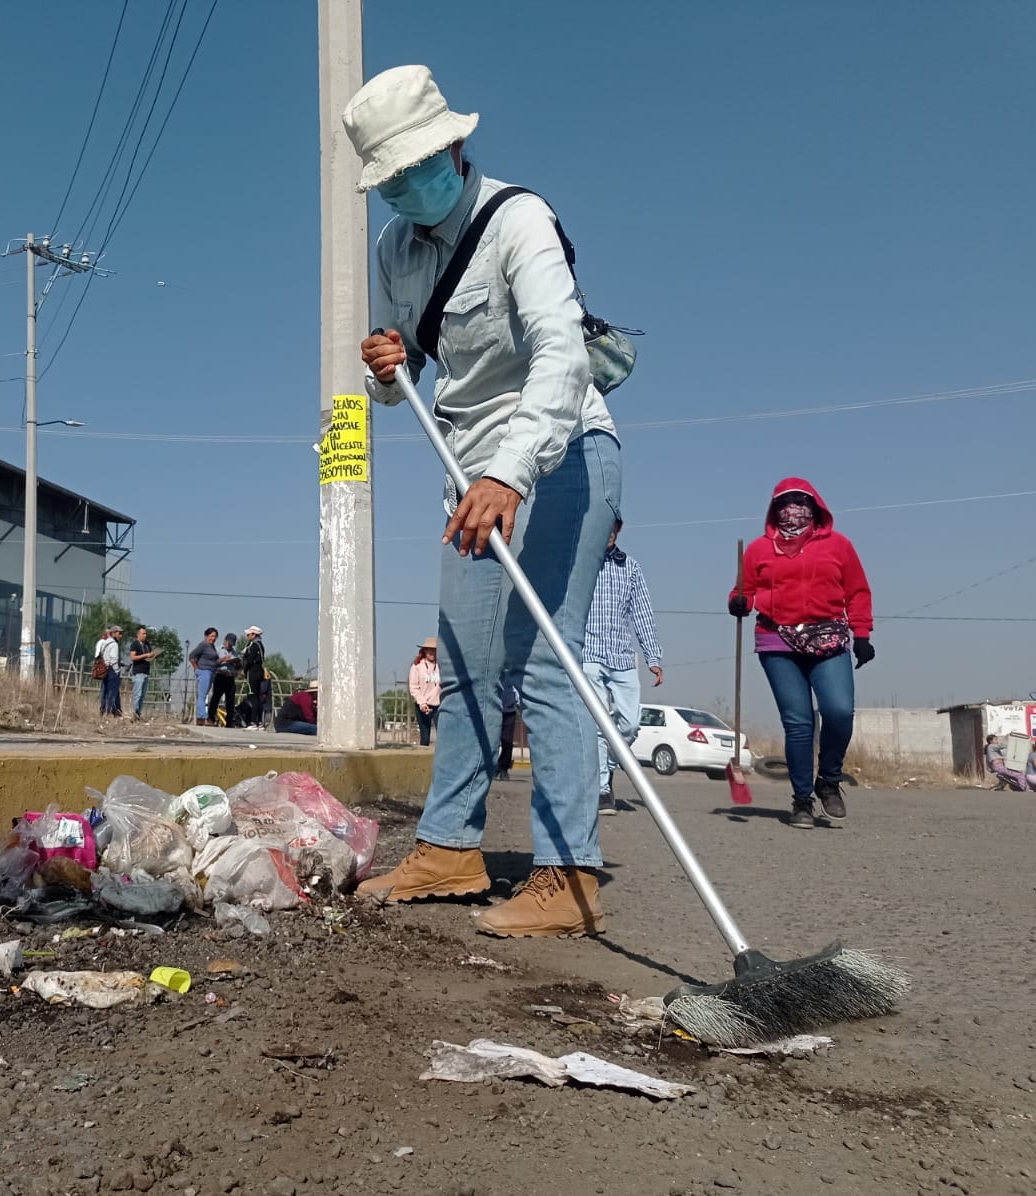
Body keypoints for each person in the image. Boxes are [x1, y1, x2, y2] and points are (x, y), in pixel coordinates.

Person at [347, 65, 622, 939]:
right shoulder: (392, 249)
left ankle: (570, 873)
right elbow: (408, 386)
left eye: (416, 163)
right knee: (464, 658)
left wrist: (511, 471)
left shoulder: (518, 221)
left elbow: (562, 355)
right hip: (469, 471)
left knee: (544, 659)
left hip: (562, 452)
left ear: (455, 145)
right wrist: (387, 368)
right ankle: (448, 849)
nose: (404, 184)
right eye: (387, 175)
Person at [730, 478, 873, 829]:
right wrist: (738, 603)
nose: (793, 509)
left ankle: (829, 780)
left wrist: (863, 633)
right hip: (776, 639)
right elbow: (743, 592)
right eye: (786, 502)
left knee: (839, 711)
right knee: (799, 723)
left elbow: (857, 591)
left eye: (801, 501)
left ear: (816, 506)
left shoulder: (839, 546)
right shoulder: (759, 550)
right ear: (774, 508)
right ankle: (802, 801)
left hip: (828, 638)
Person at [584, 520, 664, 816]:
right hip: (588, 654)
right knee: (598, 724)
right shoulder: (580, 564)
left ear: (619, 530)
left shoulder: (630, 568)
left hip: (622, 657)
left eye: (614, 528)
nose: (608, 532)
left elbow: (642, 613)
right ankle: (602, 790)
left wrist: (652, 657)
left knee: (629, 724)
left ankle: (607, 767)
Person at [408, 636, 442, 746]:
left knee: (442, 735)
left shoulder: (442, 666)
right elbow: (413, 687)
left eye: (434, 650)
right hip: (423, 706)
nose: (432, 652)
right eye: (429, 649)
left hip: (439, 706)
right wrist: (422, 703)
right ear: (424, 650)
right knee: (425, 736)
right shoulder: (417, 666)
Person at [187, 628, 220, 726]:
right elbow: (192, 656)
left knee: (204, 695)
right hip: (204, 671)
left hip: (211, 672)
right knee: (202, 696)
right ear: (206, 636)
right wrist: (196, 669)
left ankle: (200, 719)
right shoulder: (203, 645)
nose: (213, 638)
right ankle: (203, 717)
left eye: (215, 636)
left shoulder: (212, 647)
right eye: (211, 636)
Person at [209, 632, 242, 726]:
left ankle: (229, 721)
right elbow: (213, 662)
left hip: (230, 677)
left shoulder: (234, 653)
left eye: (232, 644)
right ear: (225, 641)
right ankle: (211, 717)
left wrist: (237, 663)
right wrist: (224, 659)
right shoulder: (218, 650)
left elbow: (239, 667)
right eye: (229, 643)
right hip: (220, 676)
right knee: (216, 698)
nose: (230, 645)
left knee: (230, 700)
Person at [129, 627, 159, 719]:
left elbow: (149, 655)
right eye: (143, 633)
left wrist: (153, 655)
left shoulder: (147, 644)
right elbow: (133, 657)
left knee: (142, 695)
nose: (145, 635)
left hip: (146, 671)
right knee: (137, 694)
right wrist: (145, 655)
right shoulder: (135, 644)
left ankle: (138, 713)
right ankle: (134, 713)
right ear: (138, 634)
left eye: (145, 633)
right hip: (138, 672)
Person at [496, 674, 519, 782]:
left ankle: (503, 768)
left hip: (509, 709)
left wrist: (517, 702)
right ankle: (492, 767)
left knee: (508, 741)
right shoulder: (495, 672)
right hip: (495, 709)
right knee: (493, 742)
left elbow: (518, 688)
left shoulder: (512, 672)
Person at [241, 627, 267, 726]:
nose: (247, 636)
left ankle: (252, 721)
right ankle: (260, 720)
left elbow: (250, 660)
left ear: (254, 635)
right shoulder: (261, 645)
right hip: (259, 672)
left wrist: (244, 669)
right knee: (258, 697)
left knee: (253, 697)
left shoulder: (253, 645)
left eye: (248, 634)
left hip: (253, 673)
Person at [97, 625, 123, 717]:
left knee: (105, 691)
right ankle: (110, 711)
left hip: (104, 668)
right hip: (112, 670)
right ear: (114, 633)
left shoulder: (104, 643)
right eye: (119, 633)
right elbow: (113, 659)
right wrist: (117, 671)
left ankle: (103, 710)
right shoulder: (114, 644)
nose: (121, 635)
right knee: (112, 692)